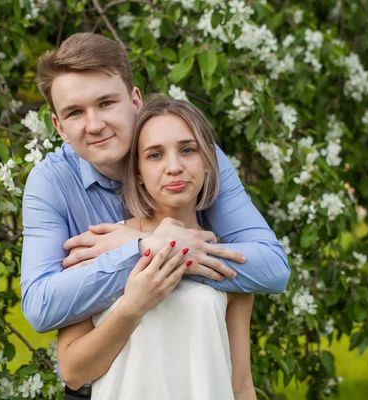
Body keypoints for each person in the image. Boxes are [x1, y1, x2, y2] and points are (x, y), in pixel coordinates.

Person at [20, 32, 290, 398]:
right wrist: (147, 247)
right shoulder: (52, 185)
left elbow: (272, 267)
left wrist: (161, 249)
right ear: (59, 127)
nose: (95, 124)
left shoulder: (193, 156)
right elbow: (41, 307)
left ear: (134, 100)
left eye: (106, 102)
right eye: (75, 112)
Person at [57, 96, 257, 400]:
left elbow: (240, 384)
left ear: (207, 160)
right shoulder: (100, 247)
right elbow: (73, 373)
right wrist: (133, 306)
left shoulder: (225, 260)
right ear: (137, 170)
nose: (174, 167)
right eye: (155, 155)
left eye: (187, 150)